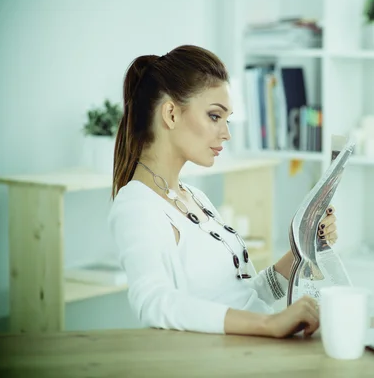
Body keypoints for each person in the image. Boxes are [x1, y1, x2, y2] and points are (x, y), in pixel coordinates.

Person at [108, 45, 339, 338]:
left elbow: (246, 295)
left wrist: (303, 248)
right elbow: (153, 302)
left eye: (226, 119)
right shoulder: (137, 205)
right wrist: (269, 324)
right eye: (215, 116)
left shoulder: (193, 196)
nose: (226, 133)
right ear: (171, 114)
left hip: (259, 346)